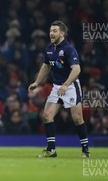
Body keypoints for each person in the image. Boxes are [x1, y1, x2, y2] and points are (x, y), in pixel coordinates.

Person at [28, 20, 89, 158]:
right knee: (47, 115)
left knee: (77, 118)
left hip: (71, 86)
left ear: (62, 33)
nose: (51, 33)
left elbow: (77, 69)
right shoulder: (49, 48)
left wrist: (66, 84)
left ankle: (85, 150)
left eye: (55, 31)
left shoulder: (69, 49)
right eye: (50, 31)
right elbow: (46, 66)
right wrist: (37, 82)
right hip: (57, 87)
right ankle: (51, 150)